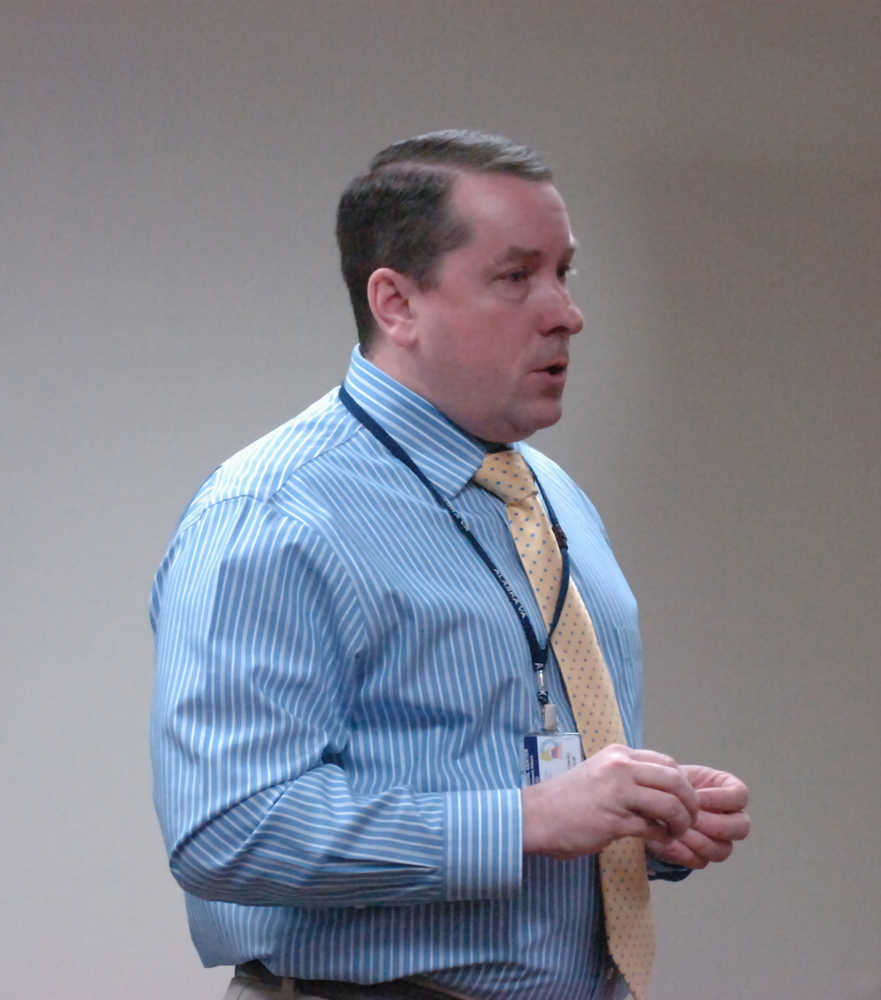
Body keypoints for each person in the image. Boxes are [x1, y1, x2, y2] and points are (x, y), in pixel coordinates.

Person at [150, 130, 750, 1000]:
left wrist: (641, 821)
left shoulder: (548, 494)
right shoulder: (273, 515)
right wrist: (528, 820)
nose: (565, 312)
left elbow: (513, 771)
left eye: (564, 273)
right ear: (395, 304)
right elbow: (226, 829)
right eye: (516, 278)